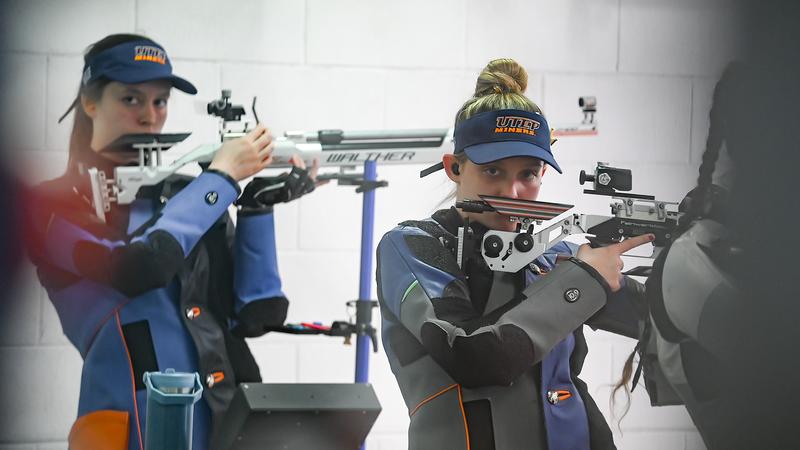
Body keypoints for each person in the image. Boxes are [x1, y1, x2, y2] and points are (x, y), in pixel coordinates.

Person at [24, 34, 315, 450]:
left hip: (224, 421)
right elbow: (138, 267)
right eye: (131, 99)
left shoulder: (186, 196)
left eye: (160, 101)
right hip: (125, 431)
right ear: (90, 102)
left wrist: (255, 208)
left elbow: (255, 314)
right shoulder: (52, 207)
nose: (150, 116)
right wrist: (220, 182)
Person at [375, 58, 653, 450]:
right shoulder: (415, 246)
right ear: (455, 167)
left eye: (528, 174)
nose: (511, 193)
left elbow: (662, 321)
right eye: (493, 172)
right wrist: (581, 280)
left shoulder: (554, 257)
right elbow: (475, 355)